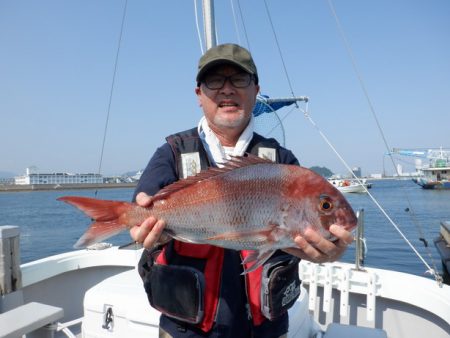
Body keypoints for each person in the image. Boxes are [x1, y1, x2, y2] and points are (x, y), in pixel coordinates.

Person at [130, 43, 353, 338]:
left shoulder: (283, 161)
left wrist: (327, 254)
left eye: (239, 79)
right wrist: (138, 225)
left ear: (256, 90)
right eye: (214, 81)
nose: (227, 90)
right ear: (199, 95)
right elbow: (141, 209)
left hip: (265, 329)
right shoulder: (171, 153)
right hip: (185, 328)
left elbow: (300, 240)